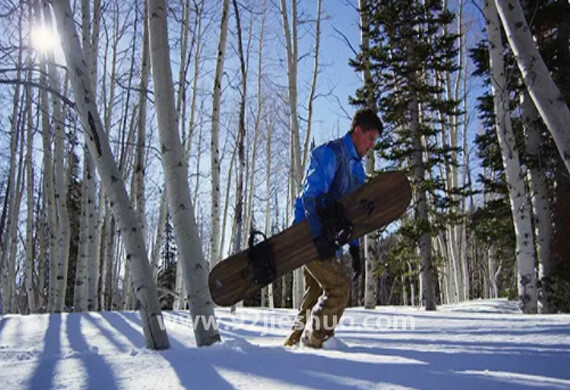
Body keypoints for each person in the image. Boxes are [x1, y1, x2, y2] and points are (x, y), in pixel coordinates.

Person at [284, 107, 382, 348]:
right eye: (370, 139)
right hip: (308, 235)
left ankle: (290, 346)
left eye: (374, 142)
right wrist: (318, 239)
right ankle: (315, 340)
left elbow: (352, 213)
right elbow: (310, 197)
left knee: (315, 294)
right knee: (339, 286)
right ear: (358, 131)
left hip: (329, 240)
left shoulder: (357, 169)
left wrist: (355, 249)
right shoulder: (330, 153)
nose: (371, 146)